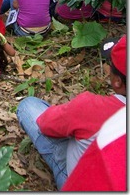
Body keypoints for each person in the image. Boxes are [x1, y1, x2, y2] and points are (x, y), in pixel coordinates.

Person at [16, 35, 126, 190]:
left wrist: (70, 115)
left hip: (79, 182)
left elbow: (46, 124)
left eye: (110, 65)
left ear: (117, 81)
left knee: (29, 105)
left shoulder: (91, 107)